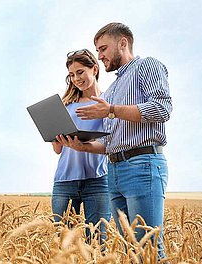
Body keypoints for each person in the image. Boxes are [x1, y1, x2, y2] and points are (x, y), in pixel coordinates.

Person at [56, 22, 172, 259]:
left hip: (141, 164)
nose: (100, 56)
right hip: (115, 170)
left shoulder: (146, 66)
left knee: (147, 246)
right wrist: (83, 146)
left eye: (103, 49)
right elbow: (110, 143)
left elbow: (162, 109)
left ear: (123, 43)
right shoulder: (112, 89)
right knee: (131, 248)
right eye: (97, 51)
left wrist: (111, 110)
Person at [51, 49, 111, 243]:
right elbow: (58, 150)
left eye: (80, 72)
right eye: (72, 75)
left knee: (97, 242)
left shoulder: (107, 103)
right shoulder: (65, 105)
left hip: (98, 180)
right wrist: (55, 137)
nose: (76, 78)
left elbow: (111, 143)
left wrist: (85, 145)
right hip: (65, 181)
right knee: (64, 245)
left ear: (94, 69)